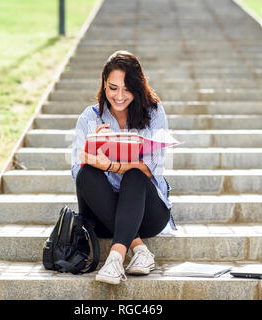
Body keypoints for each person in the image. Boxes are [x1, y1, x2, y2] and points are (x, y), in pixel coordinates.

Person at [71, 50, 176, 285]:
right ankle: (139, 250)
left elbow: (154, 168)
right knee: (87, 173)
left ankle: (115, 258)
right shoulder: (90, 117)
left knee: (136, 175)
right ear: (104, 85)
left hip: (147, 214)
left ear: (138, 88)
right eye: (113, 87)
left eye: (127, 89)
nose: (119, 96)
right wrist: (91, 150)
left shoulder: (154, 112)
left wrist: (112, 165)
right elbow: (76, 172)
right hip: (102, 215)